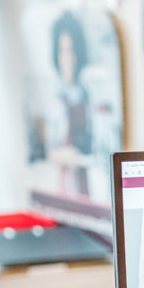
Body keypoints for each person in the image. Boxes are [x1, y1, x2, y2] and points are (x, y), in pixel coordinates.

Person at [49, 10, 93, 195]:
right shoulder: (55, 101)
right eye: (63, 52)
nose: (69, 60)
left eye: (72, 51)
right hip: (64, 184)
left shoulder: (88, 96)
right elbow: (48, 151)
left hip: (87, 182)